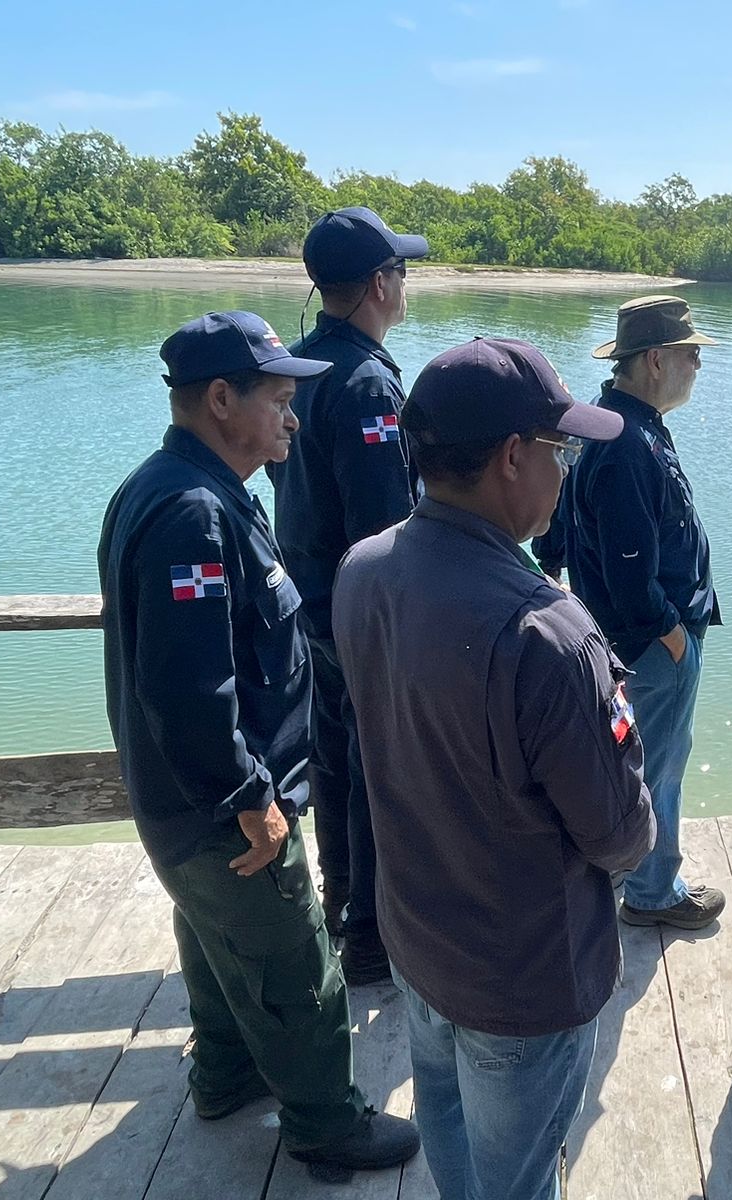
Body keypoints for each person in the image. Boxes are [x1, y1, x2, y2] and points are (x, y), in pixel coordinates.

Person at [334, 336, 655, 1200]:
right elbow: (622, 837)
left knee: (445, 1119)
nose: (566, 468)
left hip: (417, 938)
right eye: (561, 449)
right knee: (518, 1177)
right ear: (513, 458)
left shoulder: (360, 571)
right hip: (523, 974)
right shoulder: (549, 633)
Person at [98, 311, 420, 1172]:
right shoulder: (190, 517)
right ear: (217, 399)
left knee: (213, 943)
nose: (292, 418)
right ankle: (328, 1125)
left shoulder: (176, 487)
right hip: (223, 809)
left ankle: (226, 1075)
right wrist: (250, 799)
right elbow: (189, 689)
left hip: (182, 806)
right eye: (278, 399)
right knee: (296, 960)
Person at [267, 206, 428, 983]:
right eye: (401, 272)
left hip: (307, 603)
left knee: (334, 762)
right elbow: (384, 525)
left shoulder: (296, 368)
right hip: (357, 617)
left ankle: (339, 905)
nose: (405, 285)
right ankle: (369, 936)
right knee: (378, 773)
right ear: (377, 285)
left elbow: (283, 480)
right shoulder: (366, 383)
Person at [547, 294, 726, 930]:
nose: (698, 364)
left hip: (620, 639)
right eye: (690, 354)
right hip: (651, 644)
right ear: (654, 360)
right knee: (658, 768)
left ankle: (627, 871)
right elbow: (630, 574)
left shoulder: (604, 422)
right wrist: (673, 635)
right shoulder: (625, 443)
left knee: (627, 762)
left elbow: (553, 537)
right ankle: (652, 892)